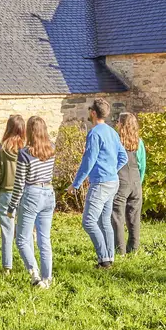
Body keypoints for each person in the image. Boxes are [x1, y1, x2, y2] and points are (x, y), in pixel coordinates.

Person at [70, 98, 128, 269]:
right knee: (104, 221)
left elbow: (88, 160)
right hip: (112, 181)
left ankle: (103, 258)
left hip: (101, 183)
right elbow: (123, 157)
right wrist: (111, 169)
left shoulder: (95, 134)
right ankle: (109, 258)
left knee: (88, 222)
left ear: (93, 113)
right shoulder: (112, 132)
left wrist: (76, 183)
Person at [12, 115, 57, 288]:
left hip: (32, 193)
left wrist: (12, 206)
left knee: (22, 239)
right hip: (48, 192)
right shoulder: (51, 148)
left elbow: (19, 182)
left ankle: (35, 275)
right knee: (44, 239)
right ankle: (48, 278)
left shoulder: (25, 153)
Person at [0, 114, 24, 272]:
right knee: (24, 231)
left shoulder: (0, 148)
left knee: (7, 232)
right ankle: (28, 263)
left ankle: (7, 267)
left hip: (6, 192)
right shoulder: (26, 149)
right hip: (23, 193)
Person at [111, 111, 146, 257]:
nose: (116, 124)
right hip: (136, 181)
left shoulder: (116, 142)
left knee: (117, 216)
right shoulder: (139, 142)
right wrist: (139, 181)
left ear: (122, 125)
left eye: (118, 121)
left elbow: (112, 163)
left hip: (121, 181)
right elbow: (142, 164)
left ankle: (120, 250)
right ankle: (134, 247)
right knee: (134, 216)